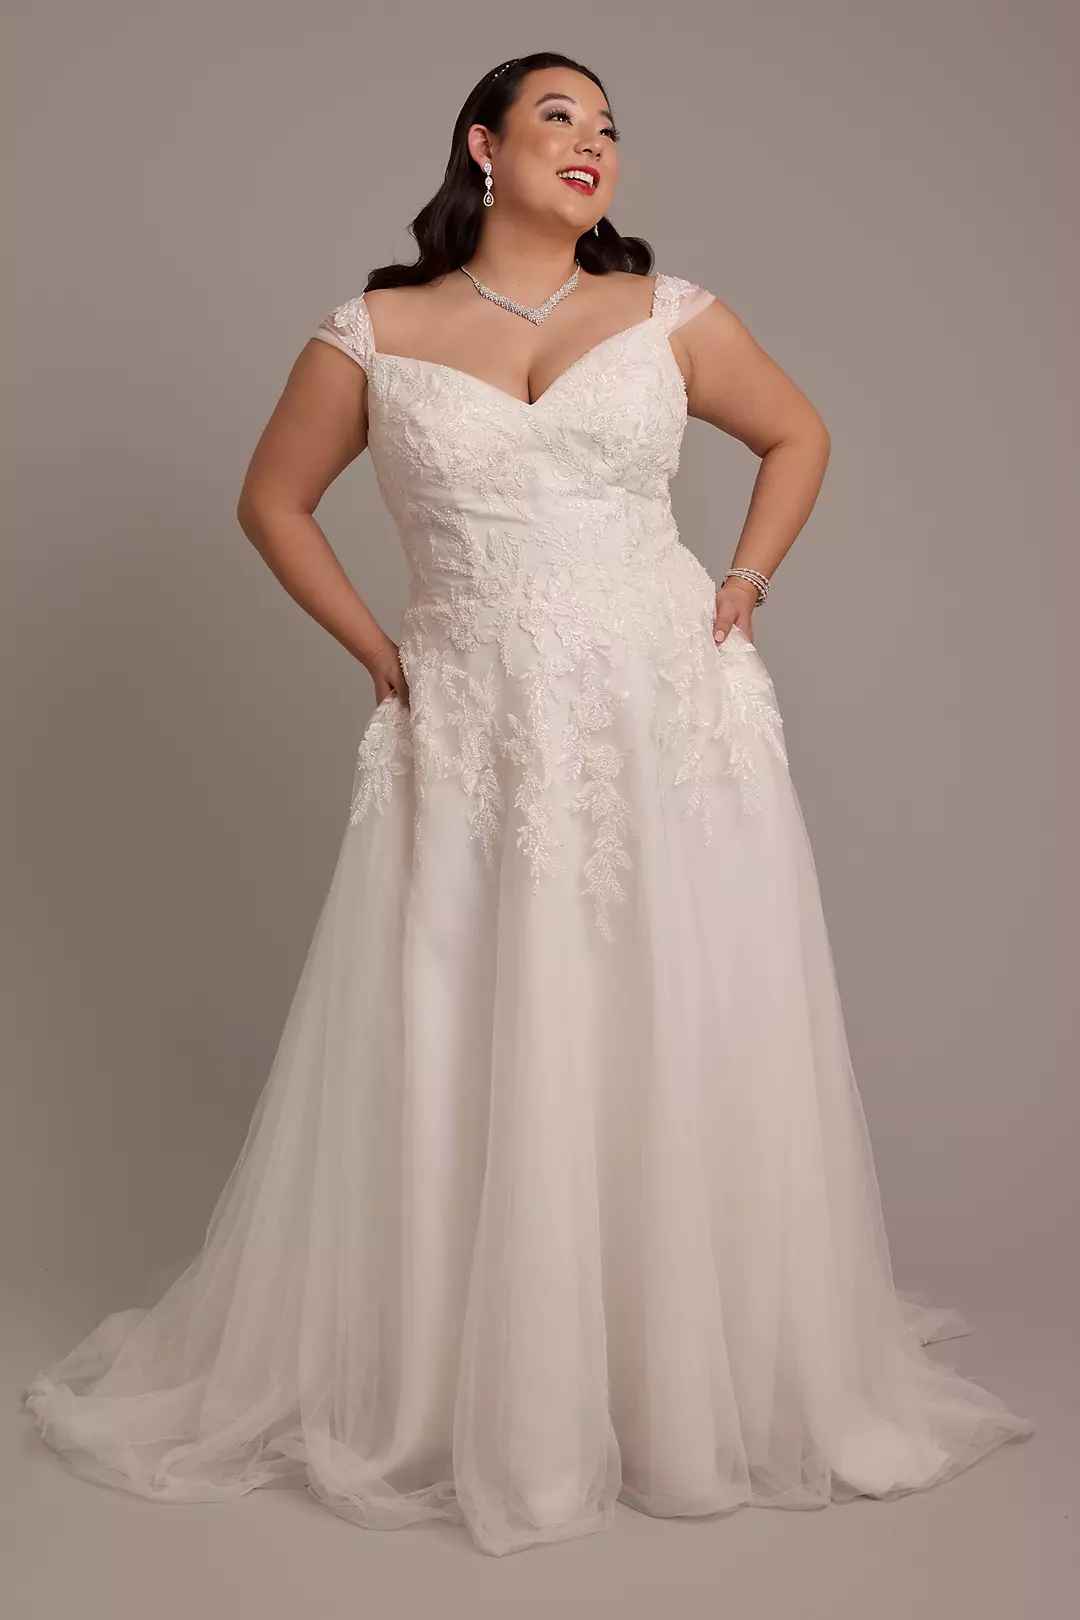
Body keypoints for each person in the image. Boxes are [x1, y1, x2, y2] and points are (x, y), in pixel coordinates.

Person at [22, 51, 1034, 1559]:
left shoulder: (669, 314)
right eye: (563, 117)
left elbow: (798, 436)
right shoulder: (377, 329)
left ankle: (676, 1385)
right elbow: (272, 501)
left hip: (666, 719)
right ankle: (488, 1389)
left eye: (614, 129)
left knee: (678, 1016)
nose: (597, 146)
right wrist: (383, 653)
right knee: (475, 1029)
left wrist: (741, 587)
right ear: (481, 146)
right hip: (479, 727)